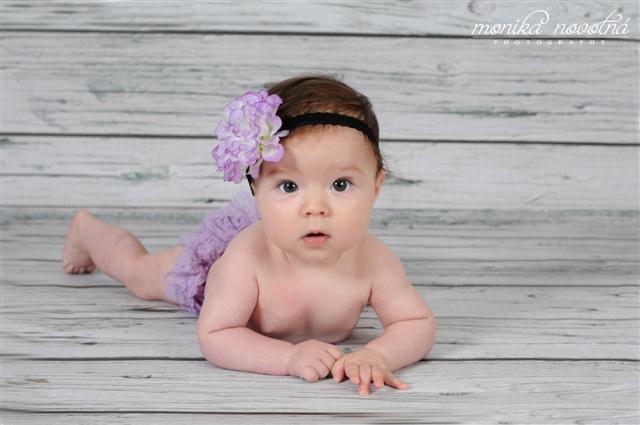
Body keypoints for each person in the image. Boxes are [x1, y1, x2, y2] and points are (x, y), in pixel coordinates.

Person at [62, 74, 436, 396]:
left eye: (340, 184)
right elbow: (218, 334)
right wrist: (288, 357)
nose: (315, 207)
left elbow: (415, 323)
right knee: (141, 275)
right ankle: (86, 230)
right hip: (208, 276)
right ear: (256, 189)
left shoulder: (374, 260)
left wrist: (379, 354)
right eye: (289, 186)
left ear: (376, 186)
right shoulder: (246, 258)